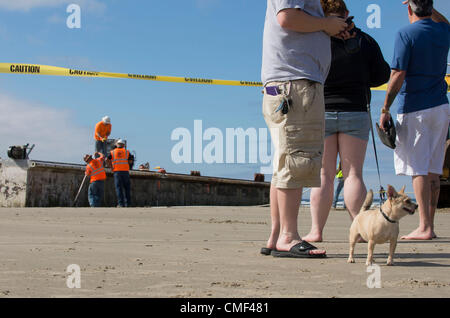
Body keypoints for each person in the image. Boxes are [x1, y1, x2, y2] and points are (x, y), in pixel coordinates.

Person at [260, 0, 348, 258]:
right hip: (296, 84)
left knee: (285, 160)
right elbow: (287, 17)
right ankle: (289, 236)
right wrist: (326, 24)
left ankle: (277, 235)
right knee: (297, 159)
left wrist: (327, 27)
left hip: (289, 83)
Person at [303, 0, 391, 242]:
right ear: (347, 13)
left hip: (322, 110)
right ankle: (359, 229)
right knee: (353, 174)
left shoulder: (317, 40)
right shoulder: (365, 41)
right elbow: (382, 75)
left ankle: (316, 231)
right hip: (355, 109)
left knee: (324, 175)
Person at [379, 0, 449, 240]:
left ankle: (424, 227)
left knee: (418, 168)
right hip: (441, 107)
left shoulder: (405, 33)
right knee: (432, 169)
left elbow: (398, 73)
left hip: (415, 107)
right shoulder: (442, 30)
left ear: (409, 9)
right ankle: (429, 226)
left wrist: (385, 107)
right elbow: (445, 22)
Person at [107, 139, 134, 207]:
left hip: (117, 172)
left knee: (119, 188)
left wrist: (111, 167)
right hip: (125, 171)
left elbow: (107, 159)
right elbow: (131, 161)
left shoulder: (112, 152)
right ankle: (128, 204)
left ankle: (121, 204)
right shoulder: (127, 152)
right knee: (127, 188)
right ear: (123, 145)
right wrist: (127, 165)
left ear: (117, 144)